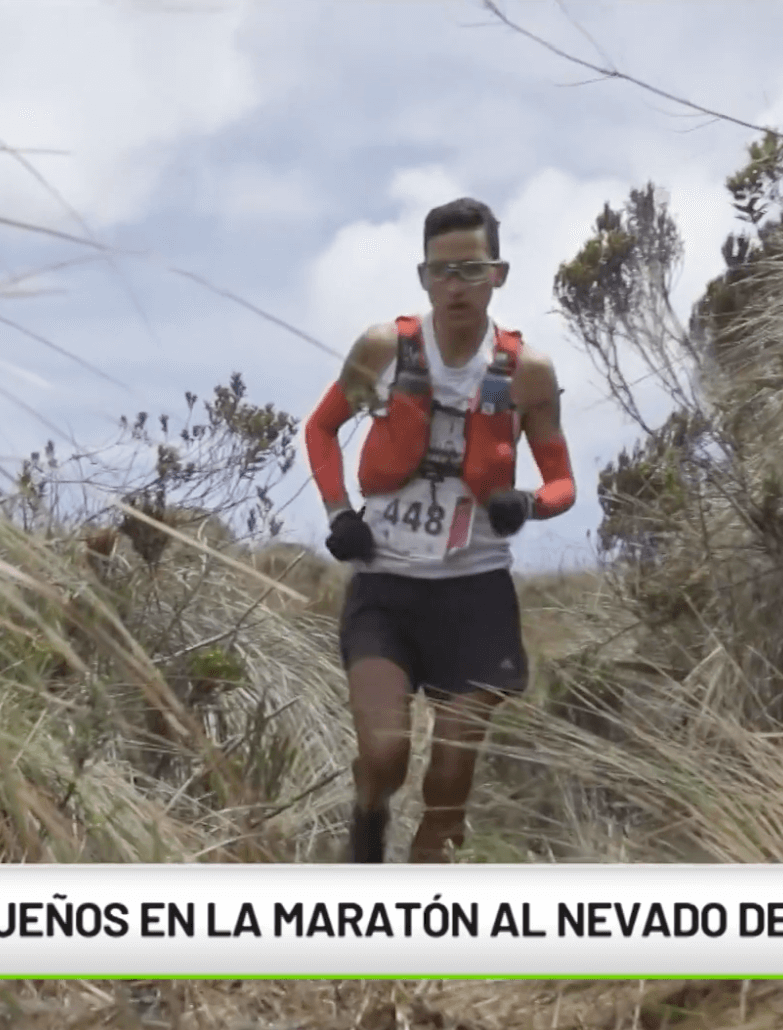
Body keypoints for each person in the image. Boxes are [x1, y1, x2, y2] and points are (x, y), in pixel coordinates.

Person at [303, 197, 577, 863]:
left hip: (476, 593)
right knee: (385, 753)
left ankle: (419, 940)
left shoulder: (525, 373)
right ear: (424, 277)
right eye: (443, 272)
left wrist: (529, 506)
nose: (457, 286)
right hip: (385, 588)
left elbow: (563, 482)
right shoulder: (383, 350)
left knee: (450, 779)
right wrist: (341, 516)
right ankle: (367, 829)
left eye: (472, 270)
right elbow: (322, 428)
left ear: (499, 274)